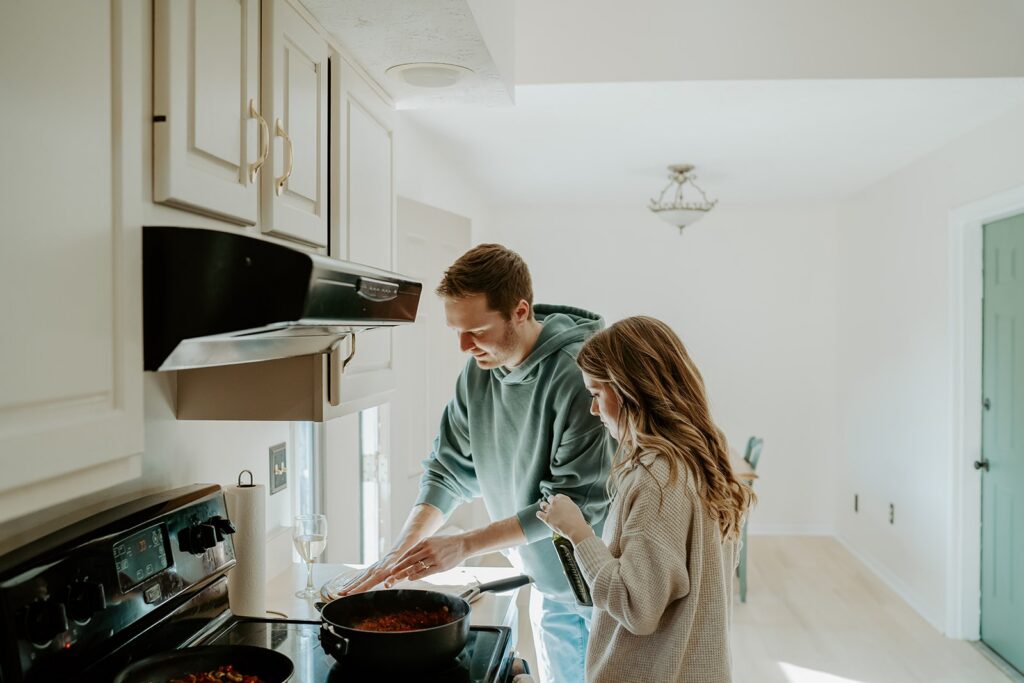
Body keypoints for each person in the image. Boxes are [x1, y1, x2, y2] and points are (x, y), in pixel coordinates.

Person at [335, 244, 613, 683]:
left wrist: (464, 544)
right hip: (544, 580)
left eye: (477, 331)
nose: (464, 347)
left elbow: (572, 503)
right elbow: (447, 470)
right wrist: (401, 550)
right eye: (457, 332)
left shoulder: (576, 375)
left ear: (520, 311)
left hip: (599, 585)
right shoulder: (479, 370)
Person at [537, 316, 755, 683]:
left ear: (629, 391)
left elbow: (637, 607)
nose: (593, 410)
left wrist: (578, 533)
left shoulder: (657, 478)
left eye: (595, 394)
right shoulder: (702, 458)